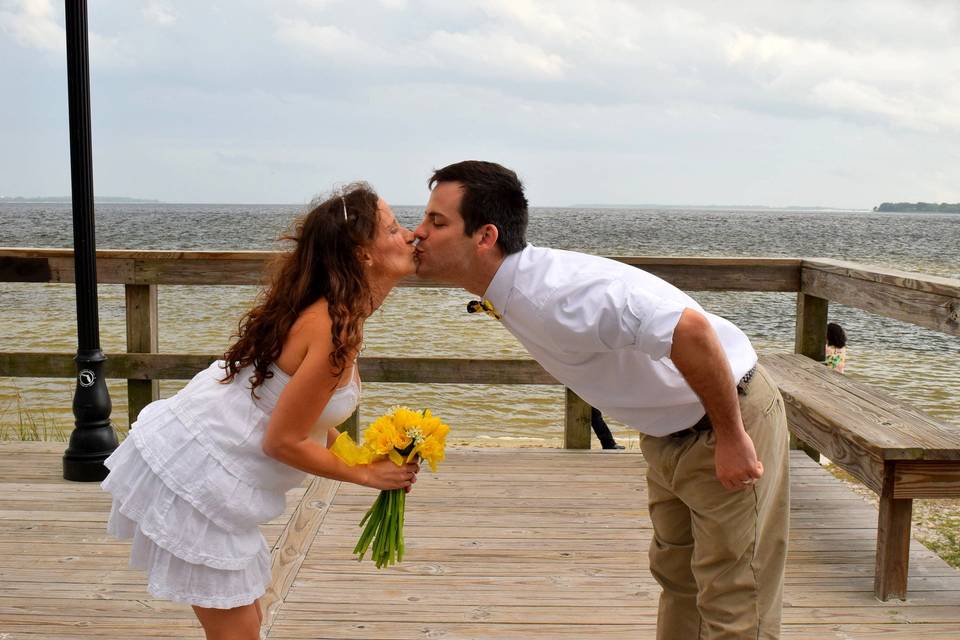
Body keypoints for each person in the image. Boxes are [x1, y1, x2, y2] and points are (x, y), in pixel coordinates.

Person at [413, 161, 789, 640]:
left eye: (436, 223)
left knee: (736, 599)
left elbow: (690, 330)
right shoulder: (510, 283)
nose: (416, 234)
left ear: (485, 237)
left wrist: (733, 437)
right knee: (679, 582)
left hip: (726, 417)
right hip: (670, 433)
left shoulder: (559, 295)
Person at [101, 183, 421, 640]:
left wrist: (365, 456)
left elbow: (304, 416)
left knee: (247, 624)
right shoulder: (332, 327)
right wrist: (368, 476)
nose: (409, 234)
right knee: (240, 632)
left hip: (213, 465)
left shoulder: (341, 314)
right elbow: (282, 440)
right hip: (199, 474)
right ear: (363, 255)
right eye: (394, 227)